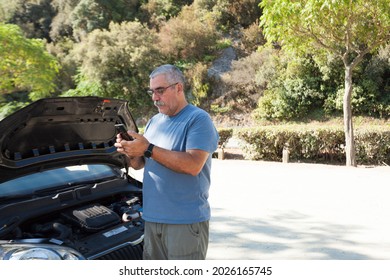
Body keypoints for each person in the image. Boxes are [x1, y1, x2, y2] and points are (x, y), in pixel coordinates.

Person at [114, 64, 219, 260]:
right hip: (152, 219)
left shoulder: (198, 119)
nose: (155, 97)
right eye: (152, 92)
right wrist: (130, 151)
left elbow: (192, 165)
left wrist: (148, 148)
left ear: (178, 88)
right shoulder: (155, 122)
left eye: (160, 90)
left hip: (185, 223)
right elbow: (139, 164)